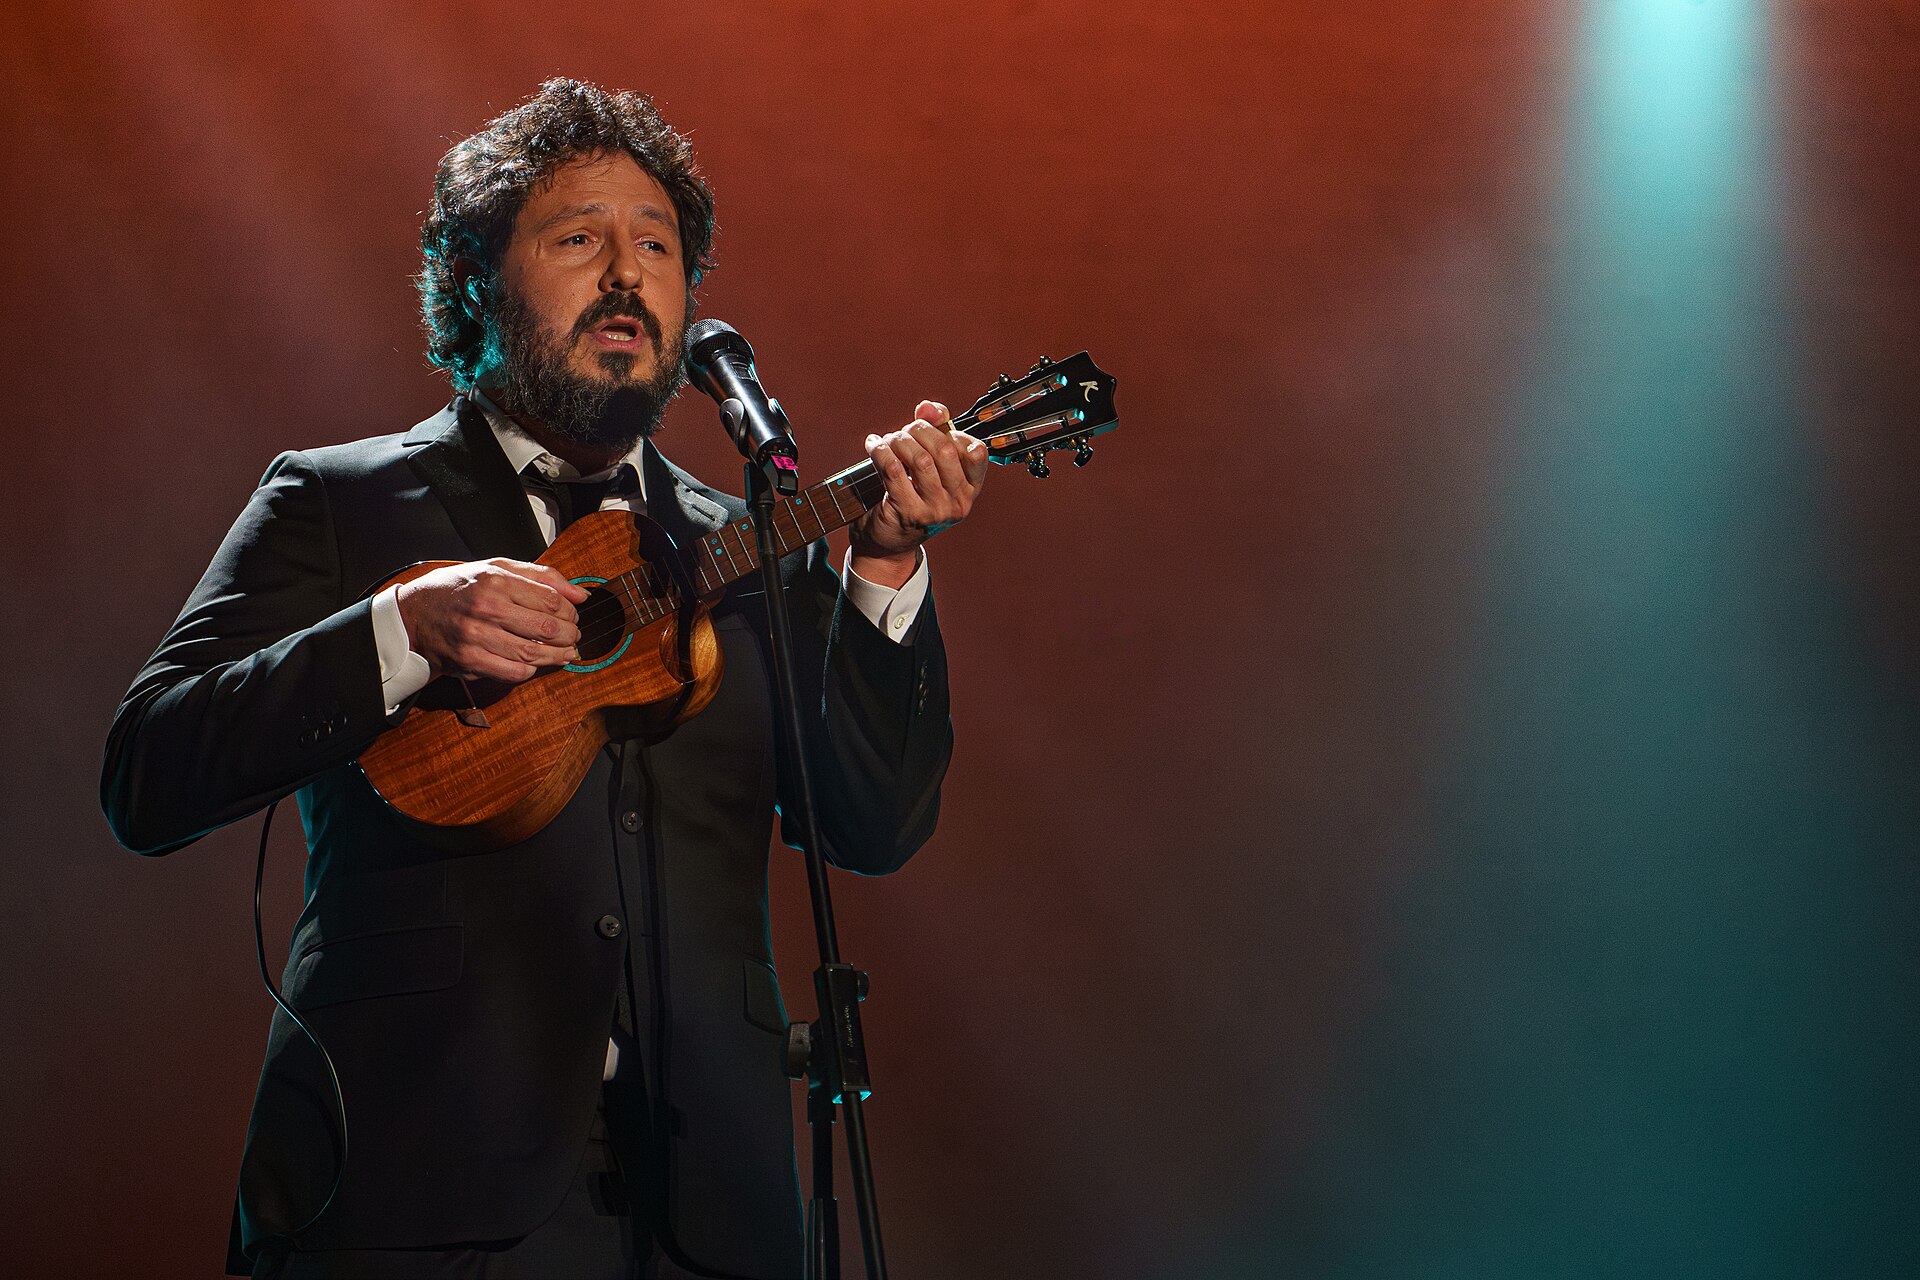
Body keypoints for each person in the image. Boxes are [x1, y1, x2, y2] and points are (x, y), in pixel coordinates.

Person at [101, 78, 986, 1280]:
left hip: (704, 1211)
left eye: (658, 248)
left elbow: (873, 825)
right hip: (411, 1192)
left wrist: (882, 571)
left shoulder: (745, 544)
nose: (628, 276)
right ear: (474, 282)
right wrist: (399, 629)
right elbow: (146, 772)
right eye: (579, 239)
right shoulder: (338, 500)